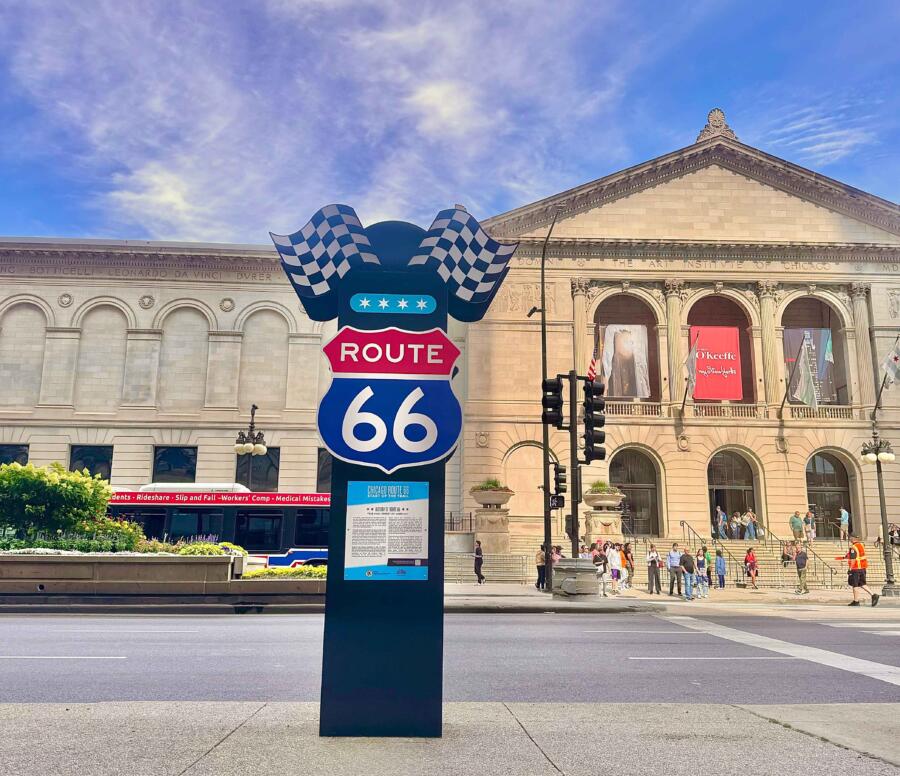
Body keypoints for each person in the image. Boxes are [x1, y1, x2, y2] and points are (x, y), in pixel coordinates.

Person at [840, 535, 879, 607]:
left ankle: (856, 601)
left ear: (853, 539)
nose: (849, 539)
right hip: (862, 568)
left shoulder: (853, 547)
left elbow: (853, 559)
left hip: (856, 568)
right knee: (862, 583)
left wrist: (850, 569)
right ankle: (873, 595)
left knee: (855, 585)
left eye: (850, 538)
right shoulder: (861, 545)